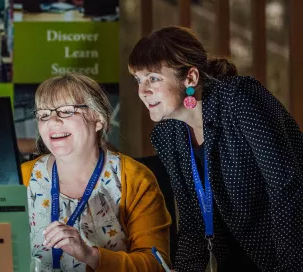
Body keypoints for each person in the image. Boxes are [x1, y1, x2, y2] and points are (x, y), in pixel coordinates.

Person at [128, 26, 303, 272]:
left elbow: (287, 188)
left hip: (289, 255)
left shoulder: (238, 98)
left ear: (190, 78)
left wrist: (291, 267)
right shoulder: (168, 135)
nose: (142, 91)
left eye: (153, 78)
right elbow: (193, 223)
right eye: (138, 79)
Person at [21, 73, 171, 271]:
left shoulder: (134, 178)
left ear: (98, 118)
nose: (53, 121)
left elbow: (157, 265)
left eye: (66, 111)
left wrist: (91, 255)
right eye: (44, 115)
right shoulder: (22, 178)